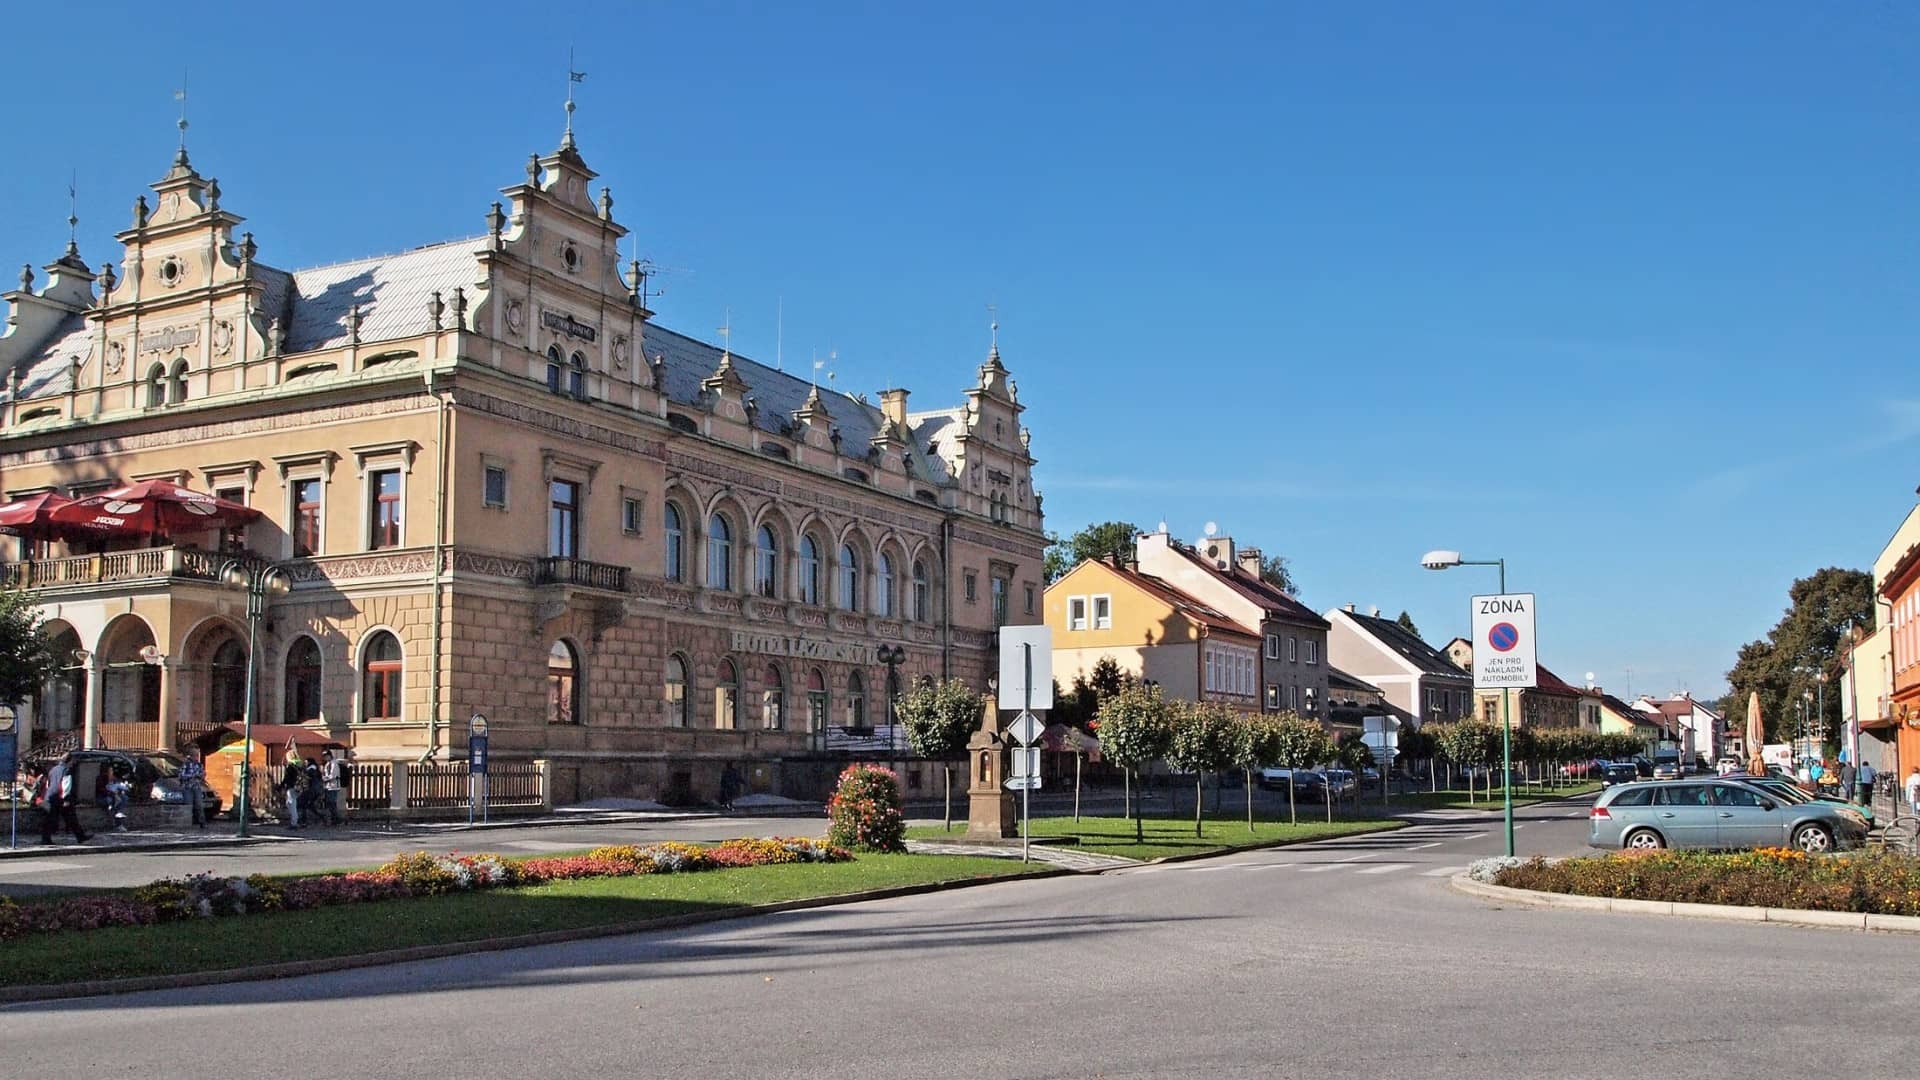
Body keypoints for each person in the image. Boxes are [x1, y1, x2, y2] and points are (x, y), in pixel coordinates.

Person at [39, 758, 88, 845]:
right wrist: (66, 799)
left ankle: (45, 839)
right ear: (69, 761)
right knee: (71, 817)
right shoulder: (66, 770)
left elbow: (48, 783)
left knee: (50, 819)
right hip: (61, 797)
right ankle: (80, 836)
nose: (73, 764)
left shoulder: (53, 769)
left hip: (50, 796)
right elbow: (66, 785)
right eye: (72, 762)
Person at [319, 750, 346, 826]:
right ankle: (334, 819)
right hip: (328, 786)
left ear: (330, 756)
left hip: (333, 786)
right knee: (329, 803)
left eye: (326, 756)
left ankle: (337, 819)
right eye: (324, 756)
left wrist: (324, 779)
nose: (325, 758)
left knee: (332, 803)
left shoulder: (334, 764)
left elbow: (333, 775)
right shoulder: (327, 764)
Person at [279, 755, 305, 828]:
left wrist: (281, 786)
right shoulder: (299, 765)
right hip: (298, 787)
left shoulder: (290, 766)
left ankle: (294, 823)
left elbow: (286, 778)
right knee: (289, 803)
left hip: (291, 787)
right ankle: (295, 820)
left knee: (292, 804)